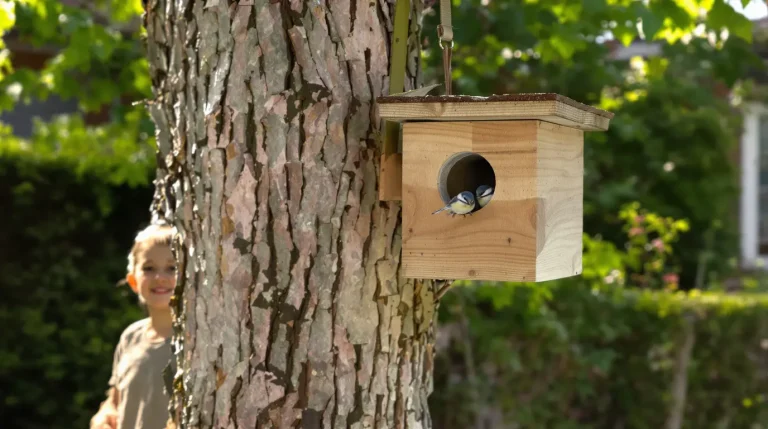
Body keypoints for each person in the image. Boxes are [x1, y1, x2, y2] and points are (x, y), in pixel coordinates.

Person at [90, 224, 177, 429]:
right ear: (133, 281)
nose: (160, 277)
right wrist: (104, 416)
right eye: (149, 268)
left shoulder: (198, 344)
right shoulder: (130, 337)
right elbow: (114, 401)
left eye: (172, 268)